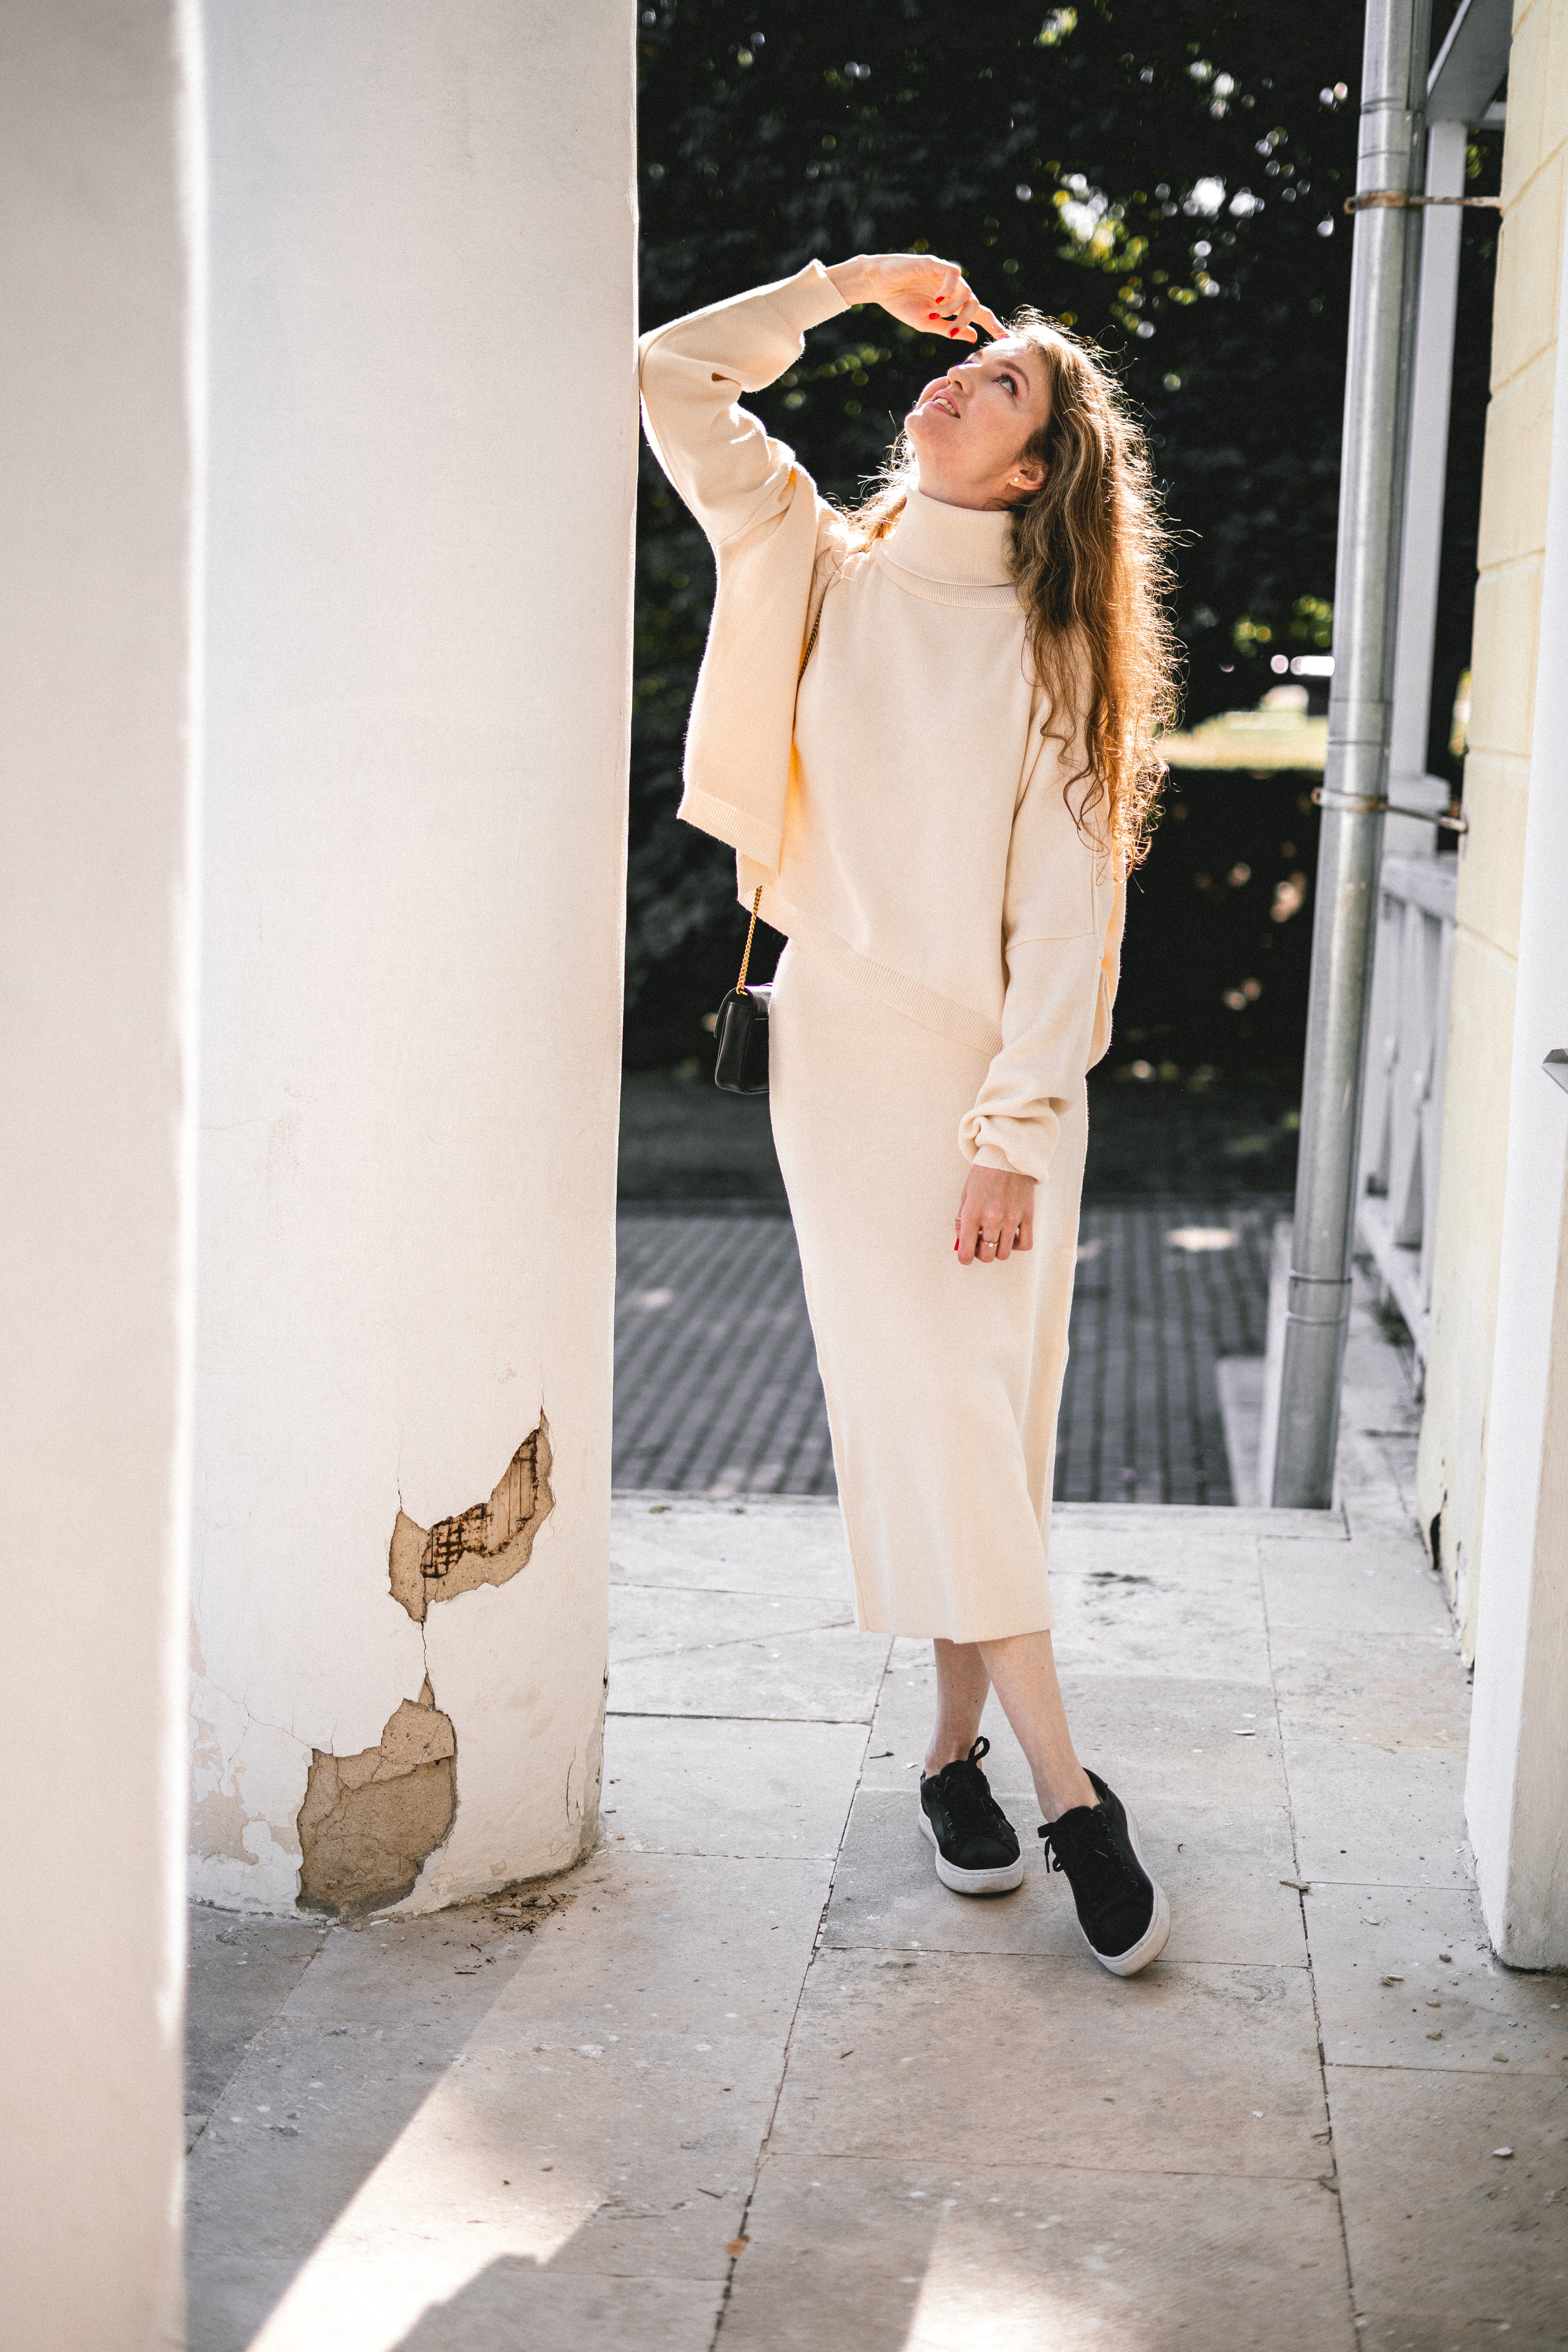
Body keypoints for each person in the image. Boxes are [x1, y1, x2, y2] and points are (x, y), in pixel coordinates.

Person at [638, 252, 1180, 1977]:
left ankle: (964, 1763)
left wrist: (1011, 1132)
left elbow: (1068, 919)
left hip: (996, 1077)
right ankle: (1067, 1794)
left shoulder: (1058, 652)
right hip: (846, 1061)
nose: (959, 377)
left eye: (1005, 383)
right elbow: (672, 375)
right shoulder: (814, 557)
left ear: (1034, 472)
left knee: (979, 1426)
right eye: (970, 362)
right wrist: (853, 283)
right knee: (935, 1413)